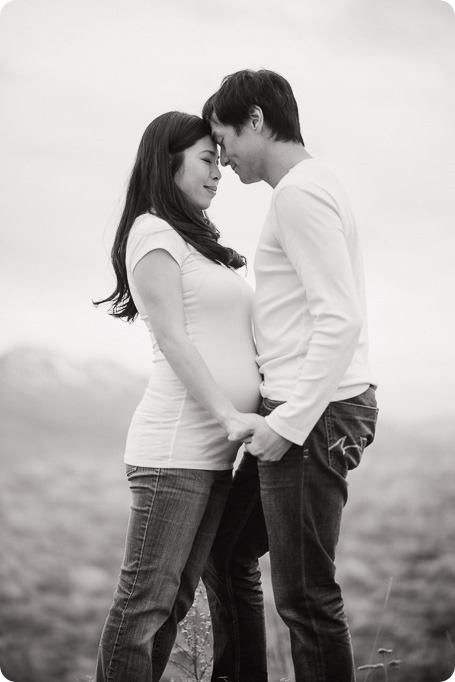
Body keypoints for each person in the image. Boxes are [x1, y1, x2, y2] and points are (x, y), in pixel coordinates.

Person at [201, 70, 379, 682]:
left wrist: (290, 424)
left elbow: (340, 318)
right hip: (305, 409)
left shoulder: (299, 193)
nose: (220, 158)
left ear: (255, 118)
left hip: (313, 414)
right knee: (225, 551)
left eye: (222, 138)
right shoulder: (307, 188)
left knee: (306, 598)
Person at [93, 111, 261, 682]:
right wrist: (227, 415)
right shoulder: (151, 232)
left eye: (220, 160)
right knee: (143, 607)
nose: (219, 173)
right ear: (170, 164)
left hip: (210, 454)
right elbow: (171, 335)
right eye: (207, 161)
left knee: (173, 604)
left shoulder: (196, 242)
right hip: (173, 452)